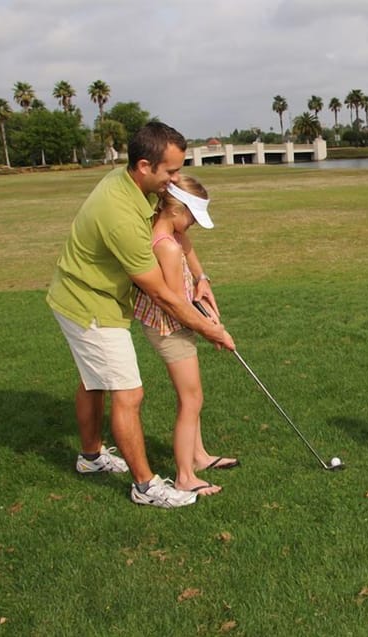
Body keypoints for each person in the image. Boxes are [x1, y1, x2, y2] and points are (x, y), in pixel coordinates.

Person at [47, 121, 235, 509]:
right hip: (89, 303)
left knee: (93, 382)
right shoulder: (120, 213)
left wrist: (201, 278)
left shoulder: (139, 185)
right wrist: (212, 330)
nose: (175, 179)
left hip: (97, 297)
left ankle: (91, 457)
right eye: (169, 171)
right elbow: (163, 295)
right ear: (145, 165)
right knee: (129, 393)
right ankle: (146, 486)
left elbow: (181, 237)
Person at [133, 174, 239, 496]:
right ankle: (184, 476)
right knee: (191, 398)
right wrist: (214, 331)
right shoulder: (165, 246)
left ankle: (199, 455)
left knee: (193, 395)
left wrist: (202, 279)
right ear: (177, 210)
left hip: (176, 324)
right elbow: (178, 304)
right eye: (192, 217)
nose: (193, 224)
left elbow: (189, 253)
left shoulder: (173, 233)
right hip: (170, 329)